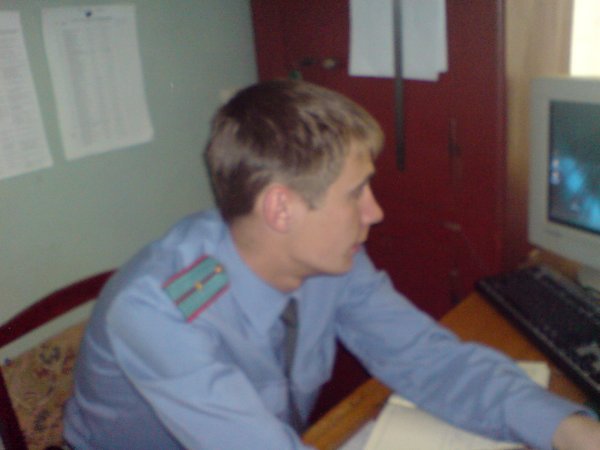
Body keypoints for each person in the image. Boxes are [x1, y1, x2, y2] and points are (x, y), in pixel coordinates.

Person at [63, 80, 600, 449]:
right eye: (356, 193)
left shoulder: (330, 260)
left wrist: (567, 429)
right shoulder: (157, 312)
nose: (375, 212)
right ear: (281, 208)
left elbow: (426, 359)